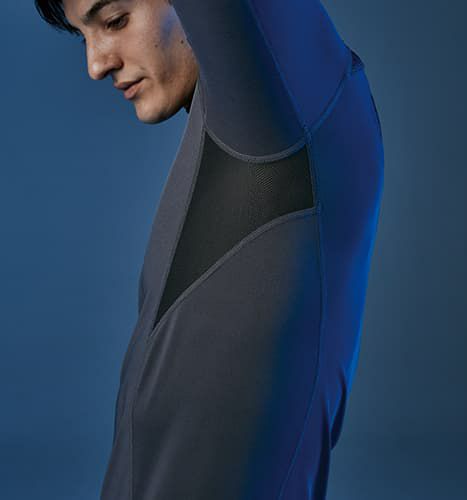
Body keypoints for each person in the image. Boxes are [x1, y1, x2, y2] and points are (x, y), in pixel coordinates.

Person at [34, 1, 384, 498]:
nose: (96, 64)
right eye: (84, 35)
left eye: (114, 21)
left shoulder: (281, 108)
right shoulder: (249, 129)